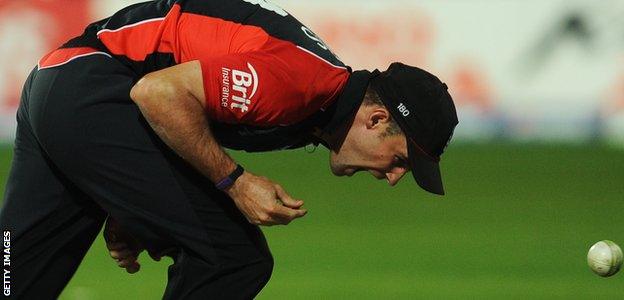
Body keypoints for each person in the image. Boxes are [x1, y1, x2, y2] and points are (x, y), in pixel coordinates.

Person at [0, 0, 458, 298]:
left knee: (13, 275)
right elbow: (157, 95)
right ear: (377, 120)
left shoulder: (318, 99)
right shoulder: (301, 83)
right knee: (233, 258)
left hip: (59, 81)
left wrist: (128, 205)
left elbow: (171, 109)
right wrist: (235, 183)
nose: (395, 176)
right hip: (93, 90)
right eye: (400, 159)